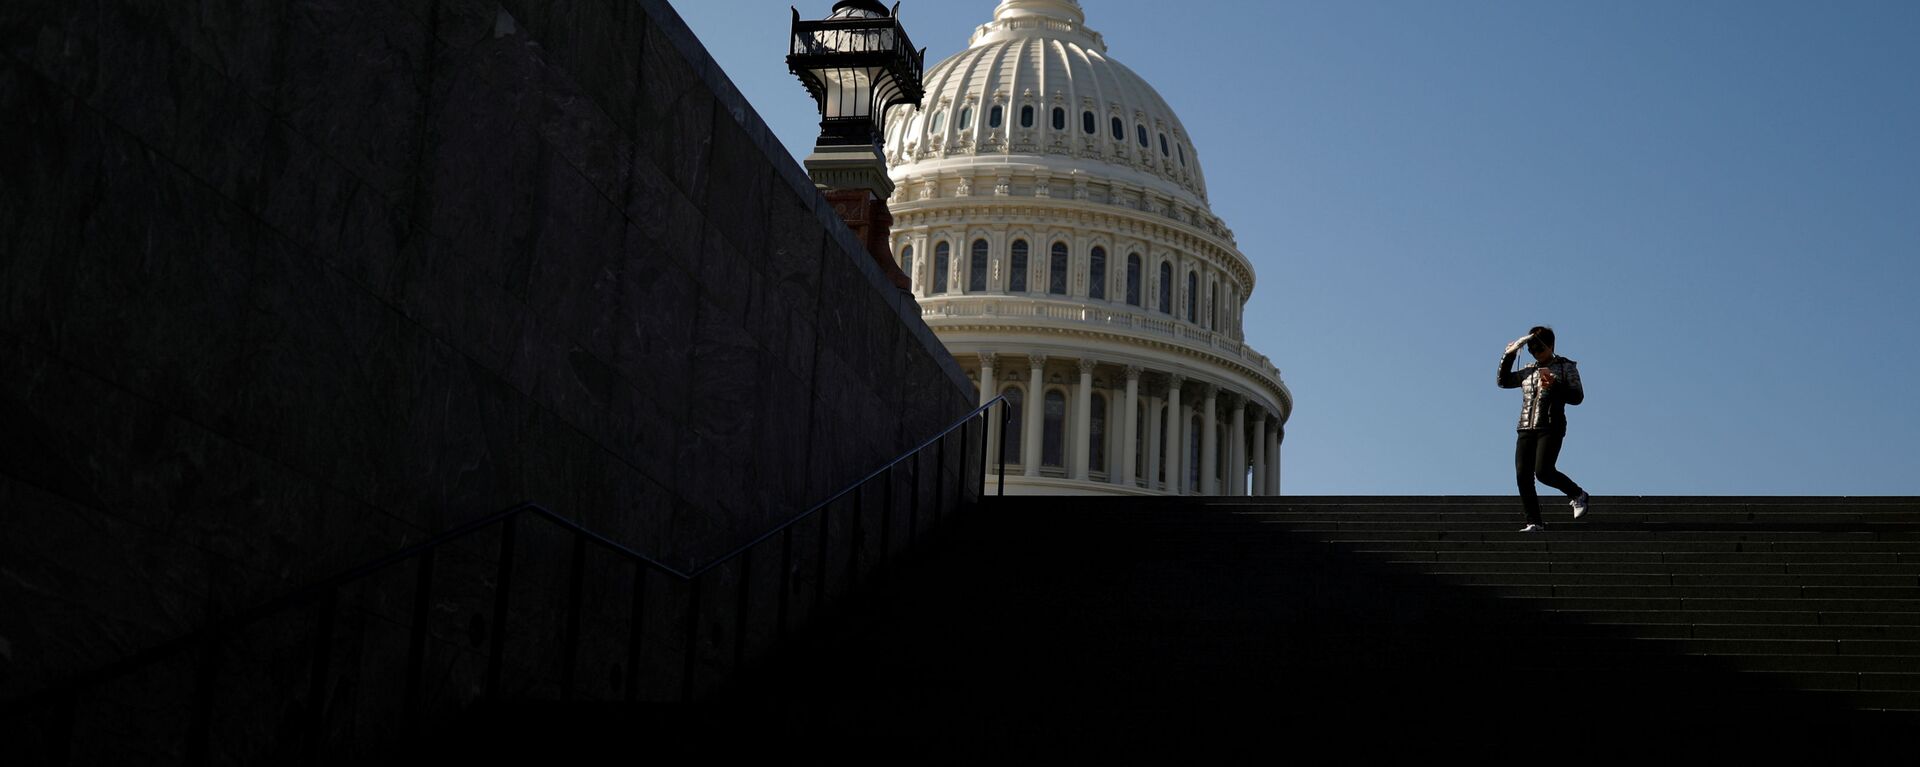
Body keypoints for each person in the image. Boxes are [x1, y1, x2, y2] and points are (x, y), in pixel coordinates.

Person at [1499, 326, 1589, 532]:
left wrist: (1555, 385)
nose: (1535, 352)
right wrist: (1509, 355)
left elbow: (1577, 397)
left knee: (1543, 471)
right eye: (1531, 348)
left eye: (1539, 347)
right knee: (1523, 474)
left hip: (1551, 425)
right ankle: (1534, 522)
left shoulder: (1565, 366)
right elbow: (1503, 382)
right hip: (1525, 427)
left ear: (1550, 346)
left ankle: (1577, 494)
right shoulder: (1529, 370)